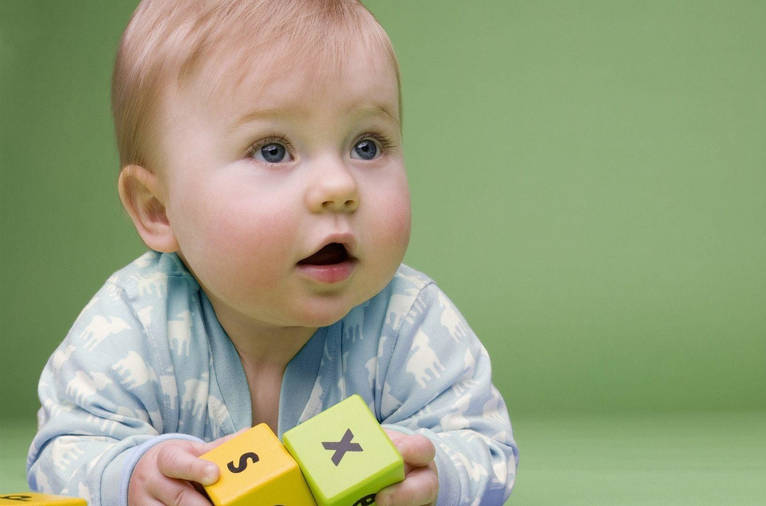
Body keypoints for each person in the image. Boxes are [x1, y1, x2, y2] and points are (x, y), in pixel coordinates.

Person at [25, 1, 518, 504]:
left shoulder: (408, 320)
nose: (339, 186)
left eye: (366, 145)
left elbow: (486, 447)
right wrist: (130, 476)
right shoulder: (133, 324)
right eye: (273, 150)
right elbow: (62, 452)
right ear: (158, 209)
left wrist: (436, 475)